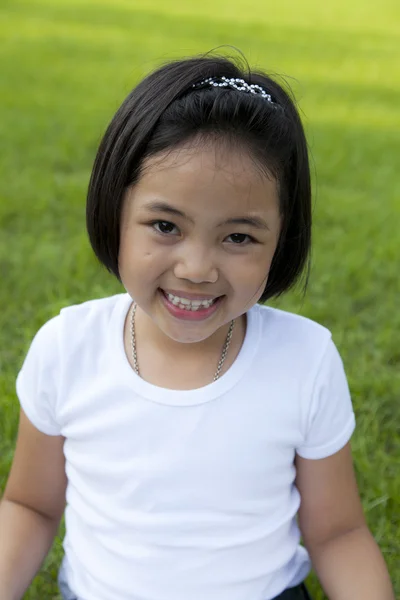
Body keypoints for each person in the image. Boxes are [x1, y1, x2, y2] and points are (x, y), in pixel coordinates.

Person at [0, 54, 394, 600]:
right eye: (165, 226)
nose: (197, 268)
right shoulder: (68, 349)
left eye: (238, 238)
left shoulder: (305, 359)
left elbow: (339, 532)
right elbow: (30, 504)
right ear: (116, 211)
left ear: (282, 238)